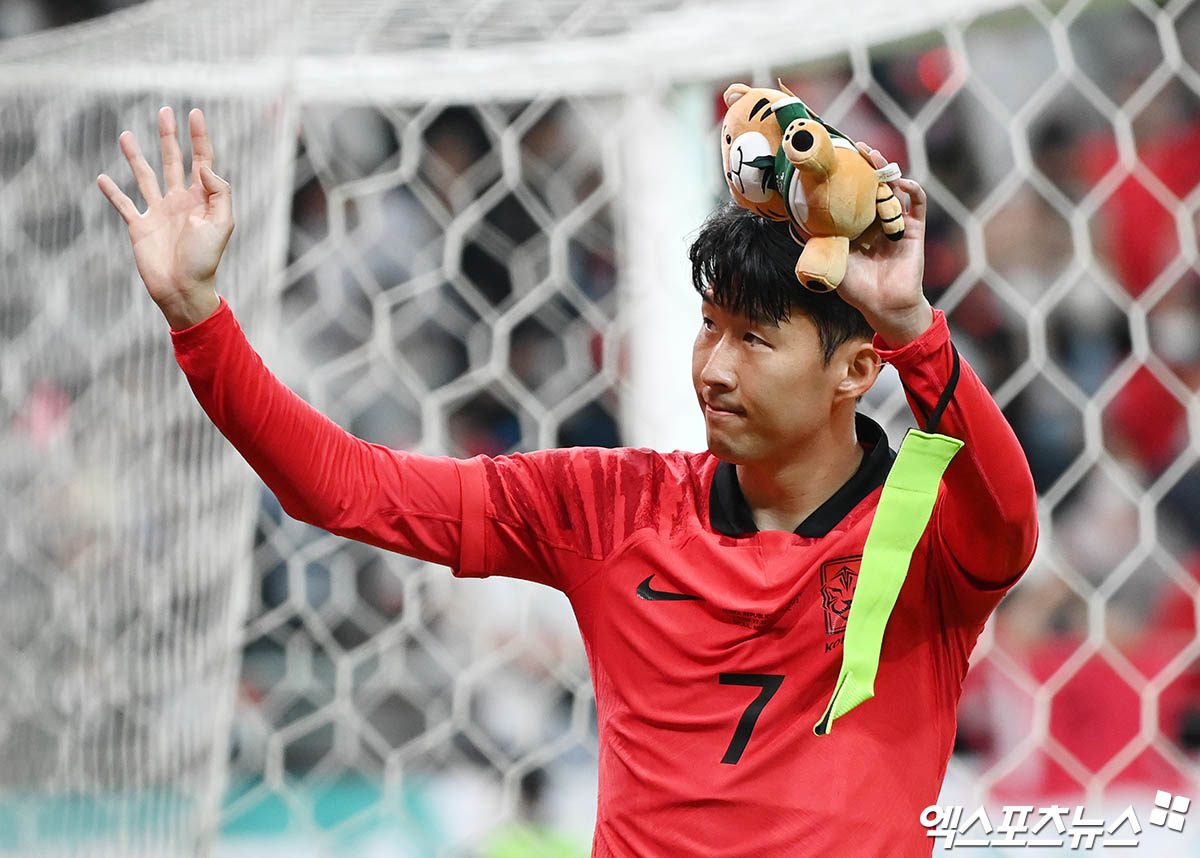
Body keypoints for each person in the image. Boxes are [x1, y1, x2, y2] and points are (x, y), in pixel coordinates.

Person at [98, 106, 1038, 857]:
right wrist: (199, 319)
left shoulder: (923, 530)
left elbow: (1010, 521)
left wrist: (912, 324)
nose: (714, 368)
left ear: (855, 370)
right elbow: (348, 489)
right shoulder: (611, 507)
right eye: (709, 327)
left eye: (755, 340)